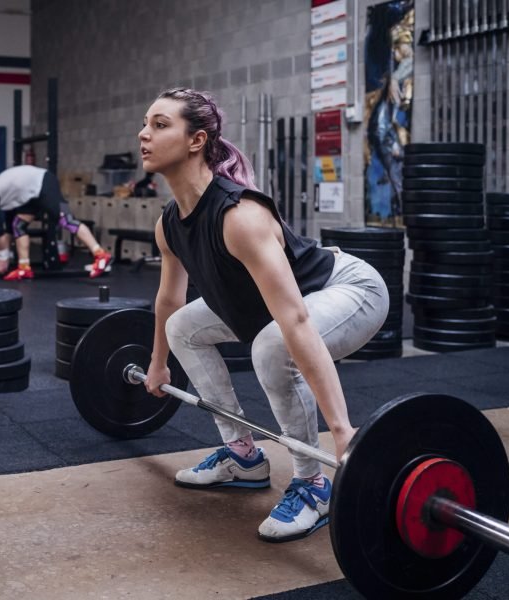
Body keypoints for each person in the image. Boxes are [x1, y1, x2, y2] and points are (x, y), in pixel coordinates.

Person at [138, 88, 389, 543]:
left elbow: (294, 321)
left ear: (196, 140)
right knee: (183, 329)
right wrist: (159, 363)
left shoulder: (240, 216)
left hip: (350, 289)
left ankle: (313, 484)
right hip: (282, 309)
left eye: (159, 125)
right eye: (145, 124)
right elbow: (169, 302)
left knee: (273, 345)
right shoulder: (169, 223)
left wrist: (342, 429)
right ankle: (243, 455)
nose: (144, 134)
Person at [0, 165, 112, 280]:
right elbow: (8, 231)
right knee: (18, 225)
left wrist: (2, 257)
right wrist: (3, 255)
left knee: (66, 220)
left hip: (44, 182)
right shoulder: (0, 193)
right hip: (30, 193)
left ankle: (100, 255)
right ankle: (24, 267)